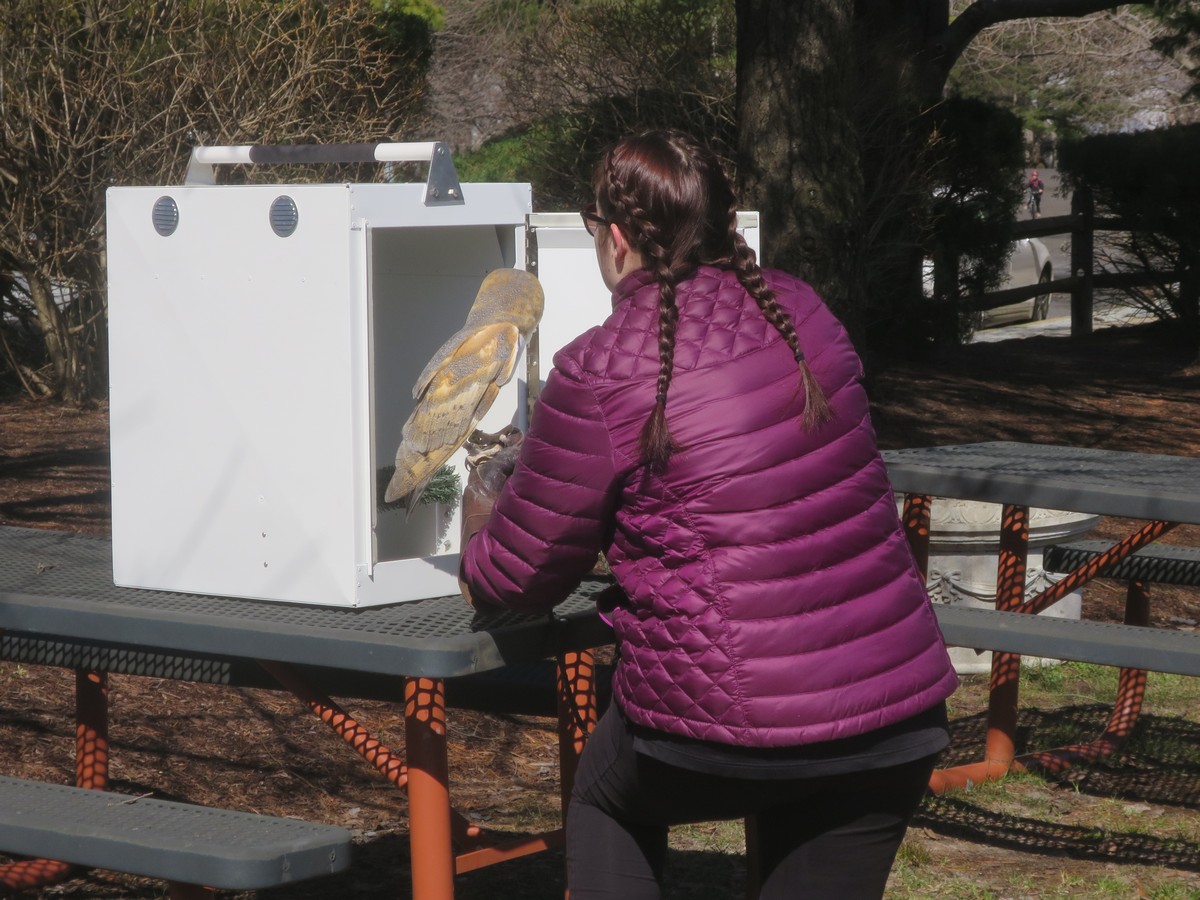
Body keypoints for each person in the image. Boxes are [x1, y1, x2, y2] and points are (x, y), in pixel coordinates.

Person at [458, 129, 958, 899]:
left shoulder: (600, 369)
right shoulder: (803, 311)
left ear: (616, 236)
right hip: (893, 711)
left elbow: (518, 579)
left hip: (733, 718)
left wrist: (482, 508)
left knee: (603, 801)